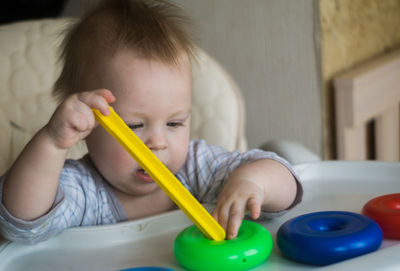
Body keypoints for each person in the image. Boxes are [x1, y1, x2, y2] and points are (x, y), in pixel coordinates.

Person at [0, 0, 302, 245]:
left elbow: (287, 185)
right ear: (88, 124)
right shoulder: (83, 191)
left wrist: (253, 183)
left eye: (174, 124)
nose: (157, 142)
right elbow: (21, 223)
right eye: (133, 126)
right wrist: (52, 142)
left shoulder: (197, 169)